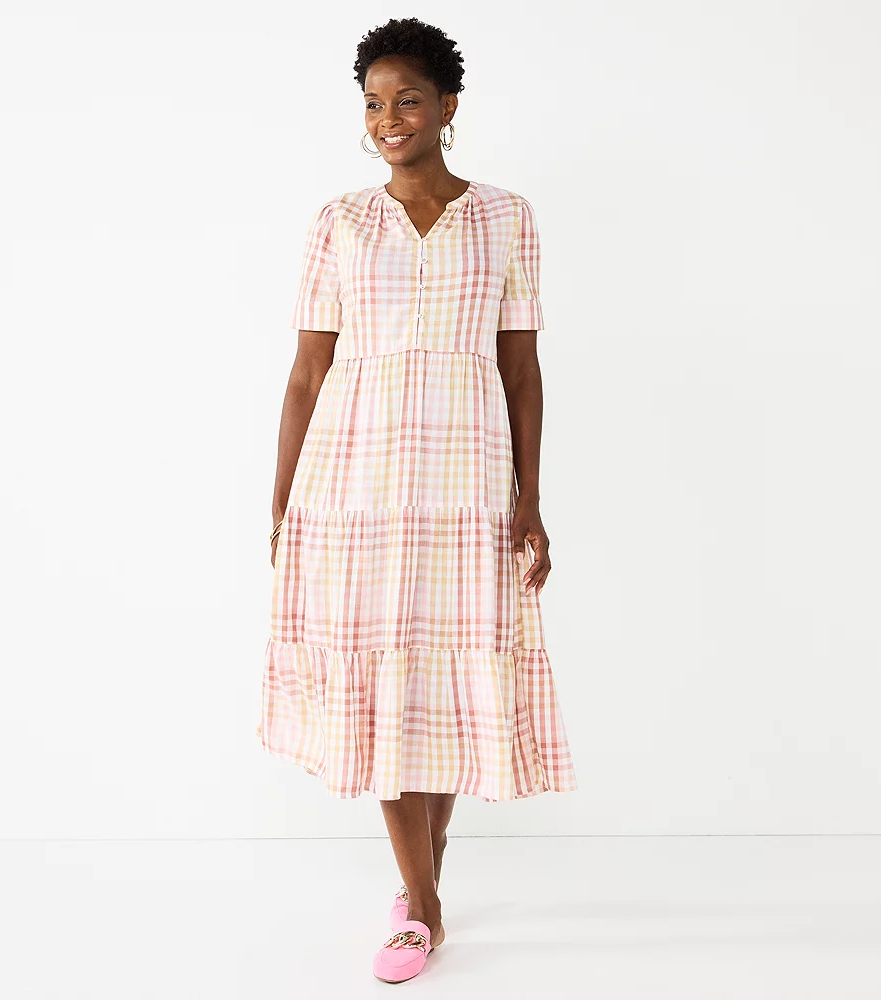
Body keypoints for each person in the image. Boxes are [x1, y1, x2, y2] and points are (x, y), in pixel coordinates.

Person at [255, 17, 578, 983]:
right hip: (354, 483)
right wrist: (281, 502)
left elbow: (521, 370)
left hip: (467, 480)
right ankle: (423, 906)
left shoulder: (507, 217)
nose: (387, 118)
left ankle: (418, 881)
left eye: (406, 100)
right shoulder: (340, 222)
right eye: (373, 103)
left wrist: (530, 495)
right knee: (383, 677)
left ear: (446, 107)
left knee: (442, 683)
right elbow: (307, 373)